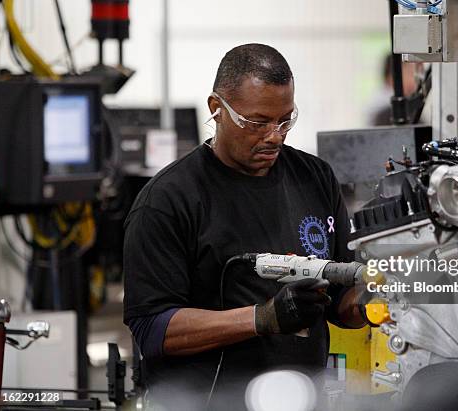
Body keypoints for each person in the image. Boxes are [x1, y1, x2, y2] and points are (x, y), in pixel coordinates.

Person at [123, 43, 367, 410]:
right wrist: (263, 318)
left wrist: (384, 298)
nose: (275, 136)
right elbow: (152, 329)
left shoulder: (314, 177)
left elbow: (341, 305)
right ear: (217, 109)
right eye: (258, 122)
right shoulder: (168, 200)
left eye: (286, 119)